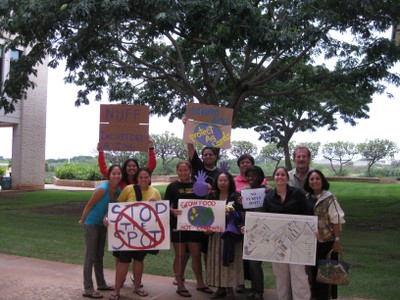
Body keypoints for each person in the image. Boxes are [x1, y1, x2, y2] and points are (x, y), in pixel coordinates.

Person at [109, 167, 161, 300]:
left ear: (150, 178)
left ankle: (137, 287)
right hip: (127, 232)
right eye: (141, 177)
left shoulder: (155, 192)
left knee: (139, 260)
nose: (143, 180)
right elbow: (117, 206)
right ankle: (116, 290)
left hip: (143, 234)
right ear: (137, 178)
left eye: (146, 177)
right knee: (123, 261)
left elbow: (159, 213)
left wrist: (156, 204)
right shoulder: (129, 189)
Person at [263, 166, 311, 300]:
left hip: (297, 240)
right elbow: (263, 218)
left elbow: (307, 213)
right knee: (280, 274)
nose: (280, 177)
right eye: (277, 175)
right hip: (277, 242)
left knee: (299, 274)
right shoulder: (269, 197)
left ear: (287, 178)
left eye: (282, 175)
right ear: (273, 177)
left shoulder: (297, 194)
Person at [165, 160, 212, 297]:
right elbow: (166, 205)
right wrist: (172, 210)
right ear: (177, 171)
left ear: (190, 171)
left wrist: (208, 192)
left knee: (196, 256)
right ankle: (180, 284)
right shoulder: (172, 186)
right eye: (180, 170)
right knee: (180, 256)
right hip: (178, 225)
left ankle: (200, 283)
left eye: (186, 170)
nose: (183, 173)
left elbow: (205, 203)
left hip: (194, 225)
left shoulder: (197, 185)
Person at [79, 165, 122, 299]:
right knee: (90, 256)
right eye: (113, 174)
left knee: (99, 255)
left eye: (119, 174)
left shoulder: (118, 191)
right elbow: (89, 205)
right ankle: (88, 288)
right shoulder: (102, 189)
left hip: (102, 225)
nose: (116, 176)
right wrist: (82, 220)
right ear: (109, 175)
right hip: (91, 224)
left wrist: (106, 216)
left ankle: (101, 283)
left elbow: (112, 207)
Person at [304, 170, 346, 300]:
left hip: (327, 242)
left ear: (322, 181)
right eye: (312, 179)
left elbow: (337, 220)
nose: (314, 181)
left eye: (317, 179)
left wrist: (337, 240)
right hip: (311, 243)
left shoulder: (330, 198)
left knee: (326, 276)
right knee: (314, 273)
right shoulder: (307, 197)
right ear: (308, 182)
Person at [207, 172, 244, 300]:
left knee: (230, 260)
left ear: (230, 182)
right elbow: (206, 214)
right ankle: (220, 288)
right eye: (220, 180)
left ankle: (230, 289)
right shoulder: (212, 196)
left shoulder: (236, 196)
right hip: (216, 234)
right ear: (216, 182)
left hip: (231, 235)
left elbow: (242, 214)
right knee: (217, 260)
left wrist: (241, 205)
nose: (222, 183)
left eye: (225, 180)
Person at [239, 166, 269, 300]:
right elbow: (241, 211)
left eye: (254, 175)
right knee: (250, 262)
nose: (251, 178)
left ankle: (259, 292)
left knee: (256, 263)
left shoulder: (267, 191)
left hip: (263, 231)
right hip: (249, 229)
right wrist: (240, 203)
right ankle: (254, 289)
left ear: (260, 176)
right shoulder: (244, 191)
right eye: (248, 176)